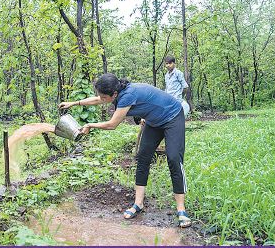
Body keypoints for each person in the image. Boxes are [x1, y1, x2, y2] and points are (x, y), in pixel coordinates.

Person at [58, 73, 192, 228]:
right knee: (142, 158)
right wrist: (74, 103)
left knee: (174, 158)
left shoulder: (127, 96)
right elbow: (98, 100)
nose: (100, 99)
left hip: (172, 116)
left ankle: (181, 209)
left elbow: (112, 124)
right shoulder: (116, 92)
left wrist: (90, 125)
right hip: (153, 122)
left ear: (114, 94)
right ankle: (138, 203)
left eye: (103, 97)